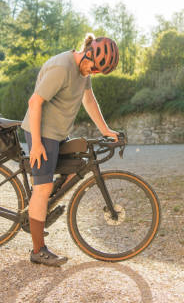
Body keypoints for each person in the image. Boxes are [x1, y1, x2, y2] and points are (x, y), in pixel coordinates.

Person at [21, 34, 120, 266]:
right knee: (42, 188)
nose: (93, 73)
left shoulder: (83, 70)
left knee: (77, 166)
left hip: (58, 133)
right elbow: (34, 103)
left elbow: (89, 99)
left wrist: (106, 130)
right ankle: (38, 250)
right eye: (94, 68)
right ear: (87, 54)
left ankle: (40, 210)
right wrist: (35, 144)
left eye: (97, 72)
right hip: (42, 132)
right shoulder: (62, 68)